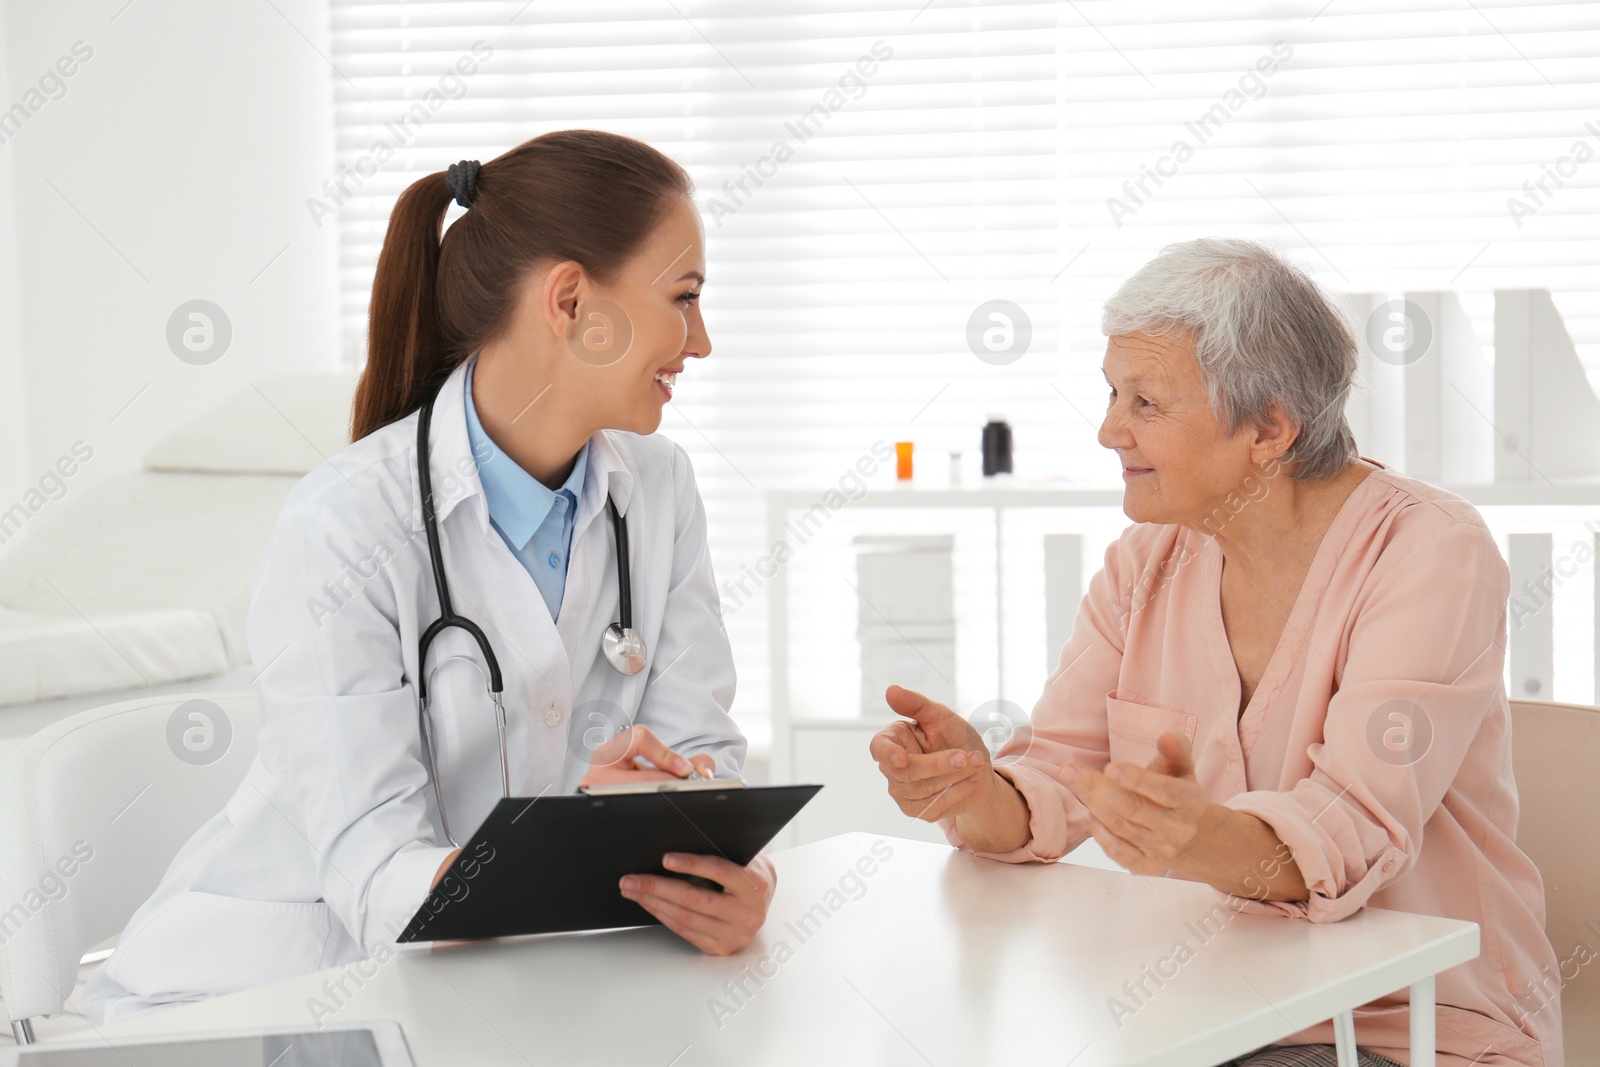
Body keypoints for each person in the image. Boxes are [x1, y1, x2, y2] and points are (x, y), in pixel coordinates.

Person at [85, 130, 775, 1023]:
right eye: (684, 298)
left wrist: (730, 869)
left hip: (505, 992)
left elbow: (704, 761)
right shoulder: (344, 524)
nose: (703, 341)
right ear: (572, 301)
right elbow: (379, 881)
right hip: (268, 1005)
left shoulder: (659, 489)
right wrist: (579, 841)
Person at [870, 238, 1561, 1067]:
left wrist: (1196, 838)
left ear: (1269, 426)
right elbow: (1056, 775)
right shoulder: (1145, 563)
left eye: (1146, 402)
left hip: (1406, 1021)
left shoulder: (1429, 552)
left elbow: (1354, 824)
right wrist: (975, 788)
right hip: (1205, 1008)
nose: (1108, 429)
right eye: (1112, 393)